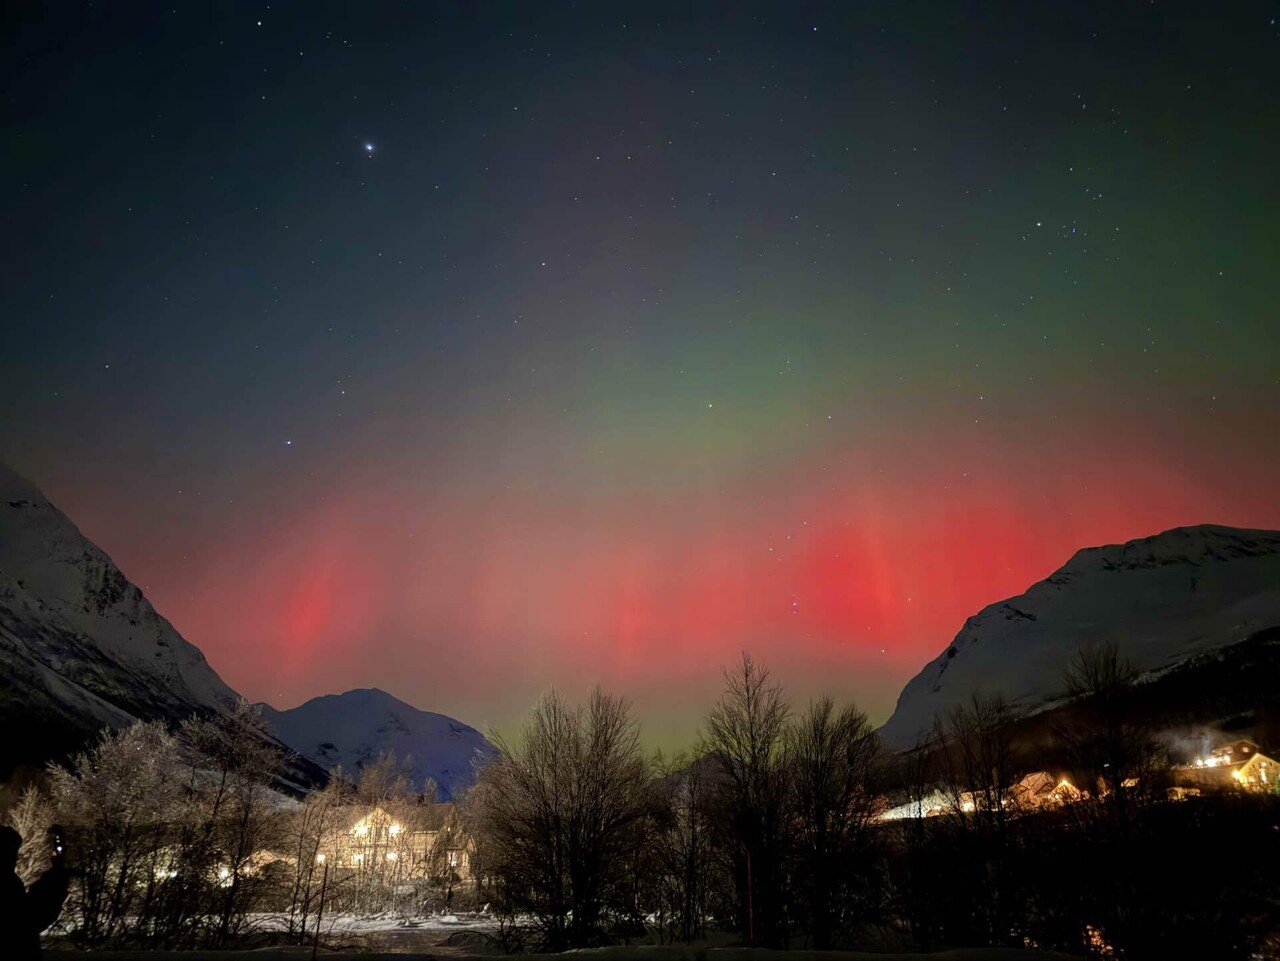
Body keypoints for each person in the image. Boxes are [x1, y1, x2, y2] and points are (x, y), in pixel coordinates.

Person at [0, 824, 69, 960]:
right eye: (12, 853)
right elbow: (28, 919)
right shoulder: (7, 884)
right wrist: (56, 874)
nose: (15, 859)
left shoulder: (10, 882)